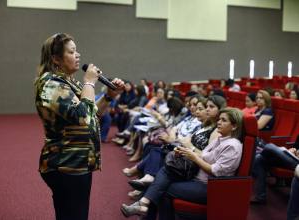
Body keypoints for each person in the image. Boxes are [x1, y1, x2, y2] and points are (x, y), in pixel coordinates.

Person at [34, 33, 124, 220]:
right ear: (56, 59)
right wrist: (89, 82)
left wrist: (109, 96)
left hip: (76, 162)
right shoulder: (51, 84)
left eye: (77, 51)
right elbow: (84, 116)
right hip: (65, 164)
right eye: (72, 52)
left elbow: (92, 115)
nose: (78, 55)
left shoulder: (67, 81)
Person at [121, 107, 244, 220]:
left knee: (163, 188)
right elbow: (205, 156)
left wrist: (194, 157)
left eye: (224, 120)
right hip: (198, 177)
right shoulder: (220, 139)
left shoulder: (233, 146)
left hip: (211, 187)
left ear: (234, 126)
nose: (219, 122)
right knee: (166, 170)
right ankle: (143, 206)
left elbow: (215, 171)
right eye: (219, 119)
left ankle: (143, 207)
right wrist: (186, 153)